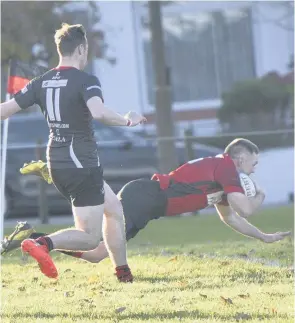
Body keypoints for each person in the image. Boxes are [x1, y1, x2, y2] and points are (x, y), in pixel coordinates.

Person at [0, 23, 147, 282]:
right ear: (81, 49)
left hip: (58, 161)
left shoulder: (41, 82)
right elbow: (99, 112)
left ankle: (123, 271)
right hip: (82, 163)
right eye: (86, 49)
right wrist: (128, 120)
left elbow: (4, 110)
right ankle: (41, 242)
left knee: (113, 208)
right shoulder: (86, 80)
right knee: (89, 239)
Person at [1, 138, 291, 263]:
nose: (255, 168)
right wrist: (260, 194)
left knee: (95, 254)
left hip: (148, 202)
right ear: (240, 158)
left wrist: (263, 237)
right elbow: (245, 208)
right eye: (254, 162)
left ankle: (31, 237)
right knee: (95, 247)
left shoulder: (224, 175)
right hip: (146, 197)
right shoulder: (228, 167)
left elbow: (231, 217)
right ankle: (55, 175)